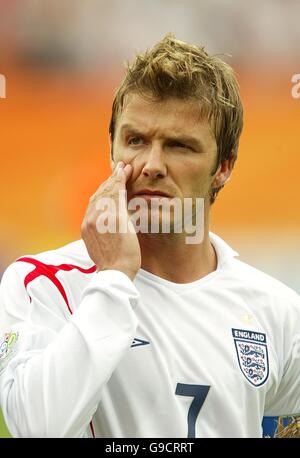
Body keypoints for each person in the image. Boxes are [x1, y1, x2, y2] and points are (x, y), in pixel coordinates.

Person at [0, 34, 300, 439]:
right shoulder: (43, 284)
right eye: (135, 140)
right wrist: (114, 276)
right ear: (111, 148)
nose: (151, 165)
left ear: (223, 166)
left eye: (179, 146)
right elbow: (36, 428)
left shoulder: (277, 311)